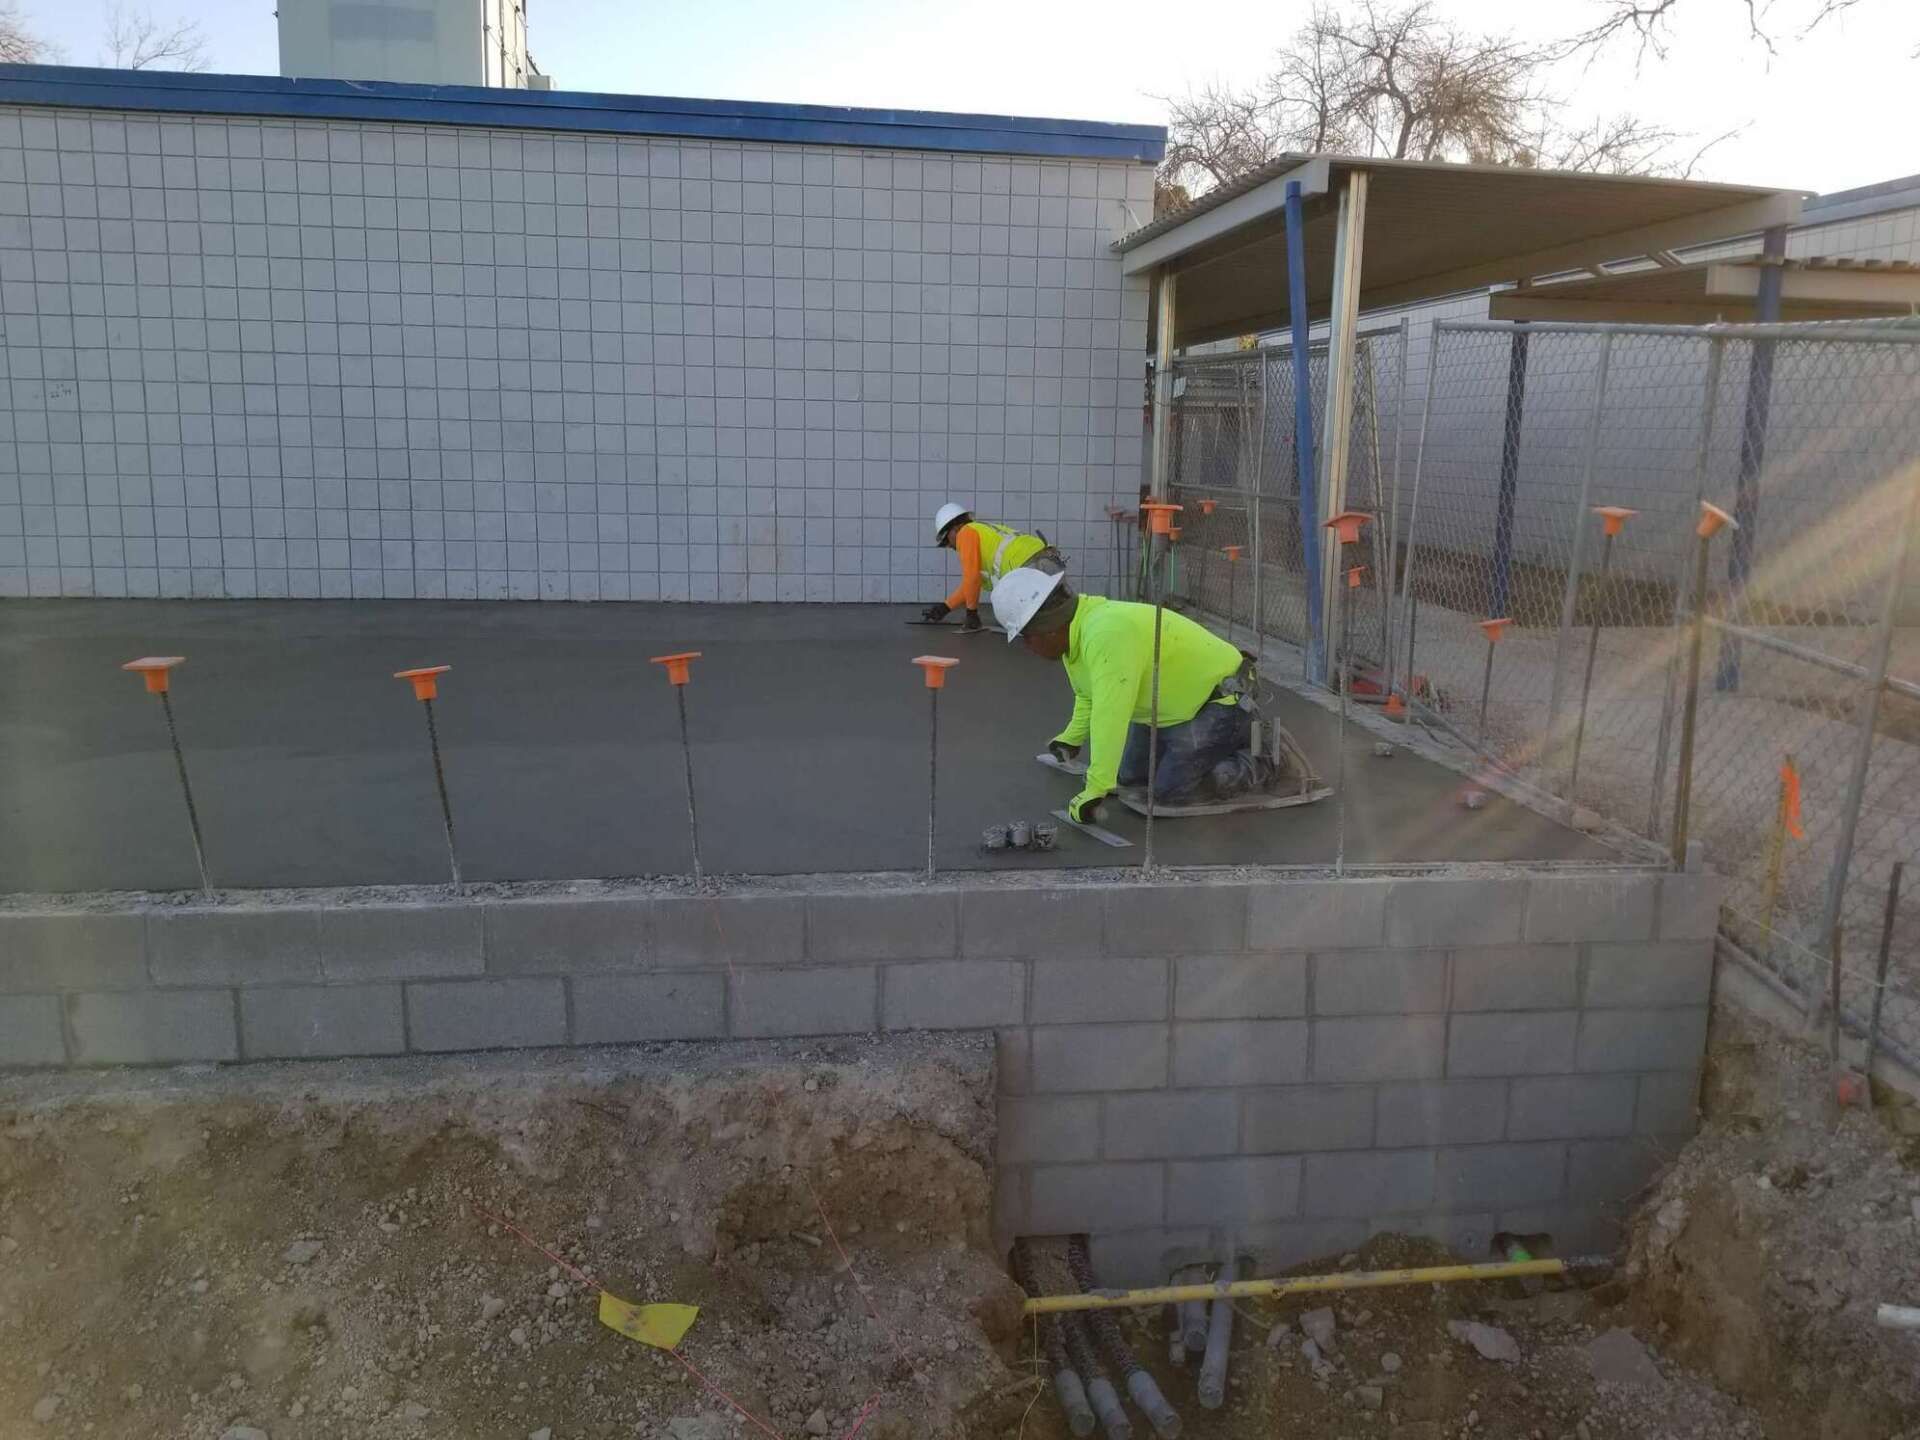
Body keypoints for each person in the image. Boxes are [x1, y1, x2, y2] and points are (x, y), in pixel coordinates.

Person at [993, 564, 1271, 824]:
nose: (1028, 648)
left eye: (1026, 638)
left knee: (1170, 793)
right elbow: (1088, 694)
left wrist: (1096, 788)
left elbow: (1110, 714)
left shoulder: (1106, 634)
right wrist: (1072, 738)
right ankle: (1206, 747)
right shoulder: (1075, 632)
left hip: (1221, 700)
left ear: (1047, 629)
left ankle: (1262, 757)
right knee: (1129, 778)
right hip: (1177, 706)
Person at [922, 502, 1059, 631]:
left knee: (1007, 613)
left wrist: (972, 613)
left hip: (1027, 566)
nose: (951, 546)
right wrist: (945, 607)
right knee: (1057, 611)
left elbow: (972, 577)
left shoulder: (965, 533)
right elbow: (971, 584)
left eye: (947, 540)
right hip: (1047, 557)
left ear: (954, 529)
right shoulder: (981, 530)